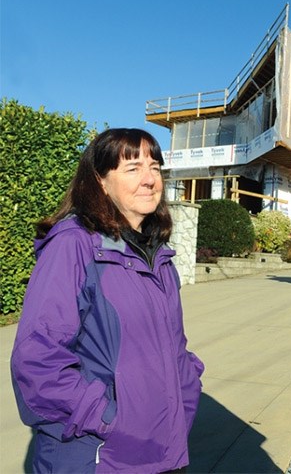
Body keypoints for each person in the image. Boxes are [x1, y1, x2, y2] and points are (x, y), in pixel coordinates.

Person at [11, 128, 205, 473]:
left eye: (155, 167)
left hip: (165, 450)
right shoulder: (74, 246)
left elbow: (173, 348)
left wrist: (187, 389)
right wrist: (107, 419)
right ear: (101, 181)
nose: (149, 180)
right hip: (100, 455)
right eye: (132, 169)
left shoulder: (158, 256)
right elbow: (37, 359)